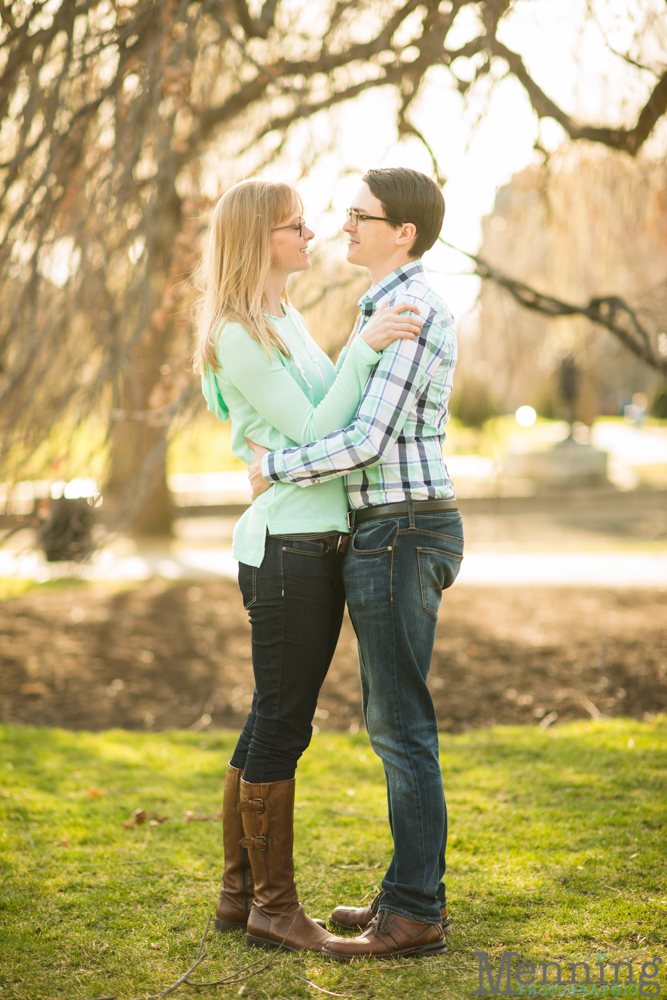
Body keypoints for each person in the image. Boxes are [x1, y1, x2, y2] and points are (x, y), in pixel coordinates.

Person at [192, 178, 423, 954]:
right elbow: (322, 423)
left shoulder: (283, 318)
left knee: (270, 716)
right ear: (260, 238)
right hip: (287, 547)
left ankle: (236, 895)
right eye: (296, 226)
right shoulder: (234, 333)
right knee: (284, 724)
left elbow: (338, 427)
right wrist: (362, 348)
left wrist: (285, 456)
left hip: (314, 538)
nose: (314, 233)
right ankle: (273, 907)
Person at [248, 167, 462, 961]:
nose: (343, 226)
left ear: (400, 232)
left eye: (357, 216)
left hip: (403, 531)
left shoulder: (408, 307)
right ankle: (407, 893)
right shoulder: (381, 306)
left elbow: (366, 440)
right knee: (396, 723)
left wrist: (276, 466)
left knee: (401, 728)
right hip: (390, 530)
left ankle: (413, 914)